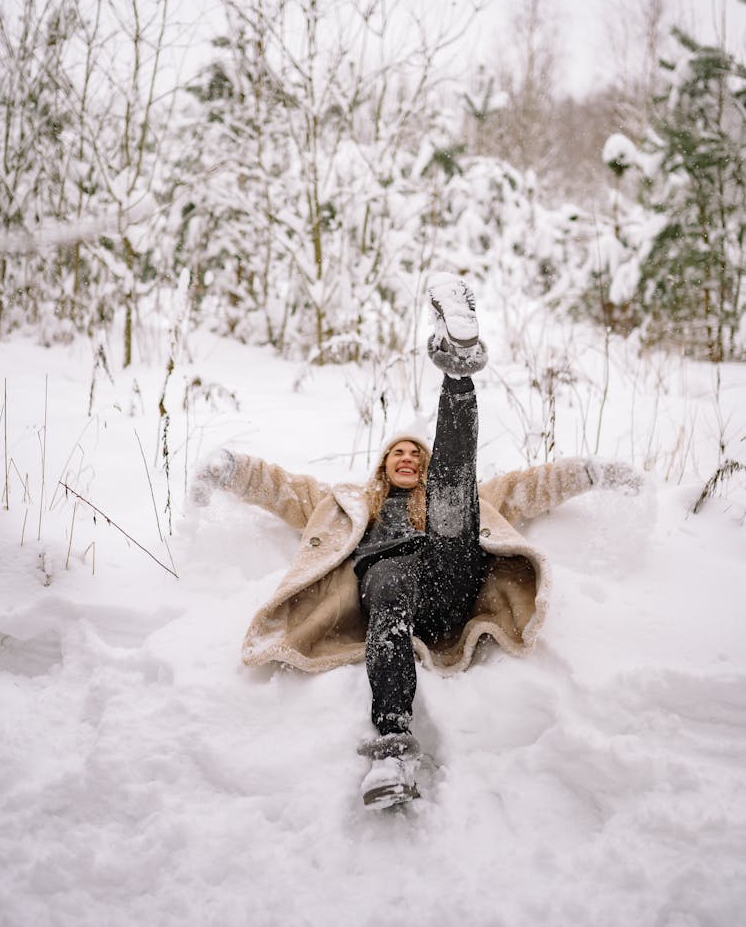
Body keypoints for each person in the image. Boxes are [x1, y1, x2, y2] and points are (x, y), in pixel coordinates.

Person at [191, 273, 642, 809]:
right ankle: (392, 749)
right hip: (389, 597)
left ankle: (459, 369)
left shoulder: (451, 490)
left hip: (452, 573)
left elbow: (530, 486)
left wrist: (592, 473)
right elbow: (281, 488)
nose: (407, 459)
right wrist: (231, 468)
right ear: (383, 465)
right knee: (385, 583)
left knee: (456, 494)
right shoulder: (347, 503)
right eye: (397, 454)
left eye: (416, 455)